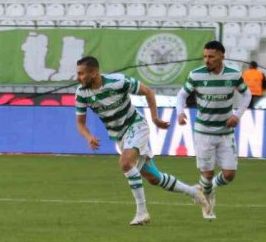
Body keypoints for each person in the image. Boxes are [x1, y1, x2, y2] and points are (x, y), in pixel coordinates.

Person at [74, 56, 208, 226]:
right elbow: (80, 123)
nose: (78, 77)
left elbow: (148, 92)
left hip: (136, 125)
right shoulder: (81, 93)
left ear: (94, 73)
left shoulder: (118, 82)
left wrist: (155, 118)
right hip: (120, 136)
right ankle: (194, 192)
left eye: (81, 74)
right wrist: (89, 137)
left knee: (125, 163)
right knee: (154, 178)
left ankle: (142, 212)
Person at [176, 42, 251, 220]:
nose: (207, 60)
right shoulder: (196, 75)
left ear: (221, 57)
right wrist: (180, 113)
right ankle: (207, 204)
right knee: (207, 174)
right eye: (205, 56)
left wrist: (237, 114)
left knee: (229, 174)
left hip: (225, 132)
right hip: (203, 132)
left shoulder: (233, 75)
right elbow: (181, 95)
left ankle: (205, 189)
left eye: (211, 57)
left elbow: (247, 94)